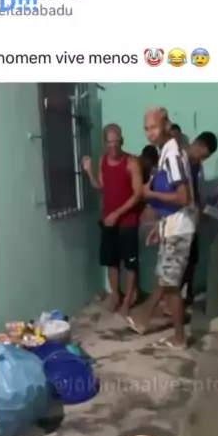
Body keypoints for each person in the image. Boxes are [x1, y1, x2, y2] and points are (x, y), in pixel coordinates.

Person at [127, 107, 196, 349]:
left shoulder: (172, 154)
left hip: (180, 227)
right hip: (172, 225)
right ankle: (148, 320)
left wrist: (149, 194)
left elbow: (183, 197)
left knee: (171, 286)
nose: (150, 133)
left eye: (154, 127)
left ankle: (179, 338)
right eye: (146, 129)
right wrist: (160, 225)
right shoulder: (166, 151)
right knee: (166, 280)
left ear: (166, 125)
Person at [82, 124, 143, 315]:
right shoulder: (103, 161)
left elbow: (138, 194)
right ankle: (116, 295)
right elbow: (101, 187)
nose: (114, 146)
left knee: (131, 264)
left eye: (117, 142)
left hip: (127, 222)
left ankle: (128, 300)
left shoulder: (131, 162)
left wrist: (117, 213)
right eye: (110, 143)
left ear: (122, 141)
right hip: (109, 222)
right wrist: (89, 171)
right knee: (112, 262)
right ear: (105, 143)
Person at [181, 131, 218, 305]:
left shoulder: (197, 167)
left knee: (192, 259)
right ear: (197, 145)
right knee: (177, 263)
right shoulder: (179, 161)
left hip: (192, 219)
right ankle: (170, 300)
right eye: (203, 156)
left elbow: (195, 191)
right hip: (178, 220)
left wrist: (203, 210)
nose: (202, 160)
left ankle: (186, 295)